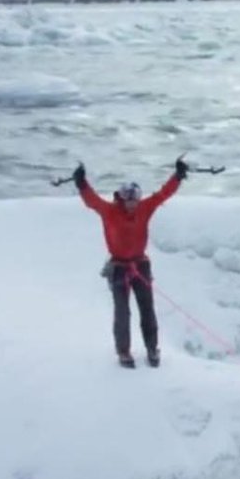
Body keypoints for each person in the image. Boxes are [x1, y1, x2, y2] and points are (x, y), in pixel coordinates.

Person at [73, 157, 188, 368]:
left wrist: (178, 176)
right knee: (122, 312)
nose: (134, 204)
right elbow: (92, 200)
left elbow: (162, 194)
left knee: (147, 309)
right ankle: (123, 352)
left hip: (141, 265)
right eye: (130, 200)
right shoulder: (109, 211)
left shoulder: (144, 208)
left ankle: (152, 349)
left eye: (136, 199)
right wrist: (81, 183)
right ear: (122, 198)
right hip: (118, 268)